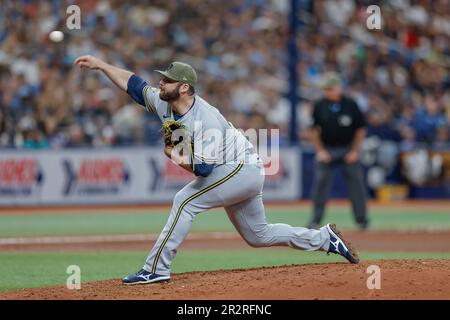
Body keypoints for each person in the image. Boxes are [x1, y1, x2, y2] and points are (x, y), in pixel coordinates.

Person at [74, 56, 360, 285]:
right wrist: (101, 65)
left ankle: (156, 269)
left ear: (184, 87)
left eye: (168, 80)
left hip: (241, 168)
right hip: (236, 170)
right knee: (258, 236)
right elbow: (134, 85)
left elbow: (203, 169)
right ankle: (324, 238)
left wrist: (175, 154)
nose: (161, 83)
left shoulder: (205, 119)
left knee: (184, 201)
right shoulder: (165, 103)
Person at [308, 72, 369, 231]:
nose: (328, 92)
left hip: (348, 149)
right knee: (320, 184)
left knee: (356, 184)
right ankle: (315, 219)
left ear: (339, 87)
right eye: (326, 89)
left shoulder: (351, 104)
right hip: (328, 150)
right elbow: (313, 130)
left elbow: (360, 130)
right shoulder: (320, 104)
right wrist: (320, 151)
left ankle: (361, 220)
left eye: (331, 88)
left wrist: (355, 151)